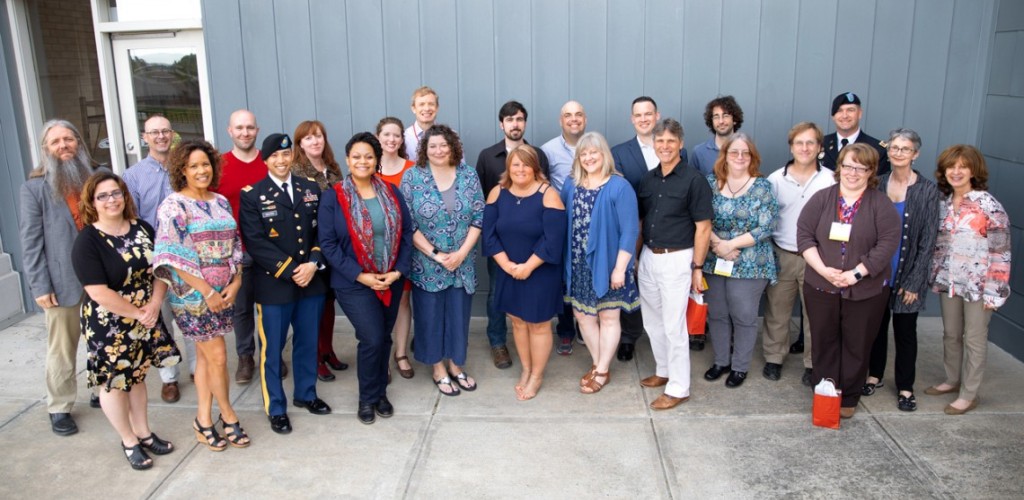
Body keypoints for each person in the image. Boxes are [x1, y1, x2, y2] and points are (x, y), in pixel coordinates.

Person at [72, 172, 181, 470]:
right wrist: (138, 313)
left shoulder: (142, 228)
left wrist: (155, 303)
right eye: (103, 196)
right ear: (92, 202)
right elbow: (97, 291)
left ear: (125, 195)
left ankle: (144, 432)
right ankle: (128, 439)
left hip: (146, 315)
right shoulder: (88, 240)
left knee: (138, 376)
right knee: (114, 382)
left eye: (116, 193)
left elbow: (161, 268)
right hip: (109, 323)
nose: (111, 200)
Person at [154, 139, 251, 450]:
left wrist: (235, 283)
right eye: (193, 165)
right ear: (182, 169)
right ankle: (229, 415)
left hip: (224, 294)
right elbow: (172, 256)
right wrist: (207, 291)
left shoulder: (220, 201)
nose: (201, 170)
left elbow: (236, 245)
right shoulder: (174, 205)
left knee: (209, 361)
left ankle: (203, 420)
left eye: (205, 164)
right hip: (192, 296)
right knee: (220, 356)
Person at [798, 143, 900, 419]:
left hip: (865, 288)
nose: (853, 172)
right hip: (821, 284)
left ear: (871, 171)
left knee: (857, 344)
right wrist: (823, 270)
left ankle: (849, 396)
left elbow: (888, 243)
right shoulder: (821, 198)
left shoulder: (880, 204)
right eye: (848, 165)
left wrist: (856, 273)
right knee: (824, 340)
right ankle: (826, 391)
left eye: (861, 167)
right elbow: (805, 236)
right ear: (839, 167)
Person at [240, 133, 332, 435]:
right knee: (273, 349)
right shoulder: (253, 194)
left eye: (285, 155)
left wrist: (313, 263)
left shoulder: (309, 188)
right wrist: (293, 269)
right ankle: (276, 407)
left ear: (292, 157)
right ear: (265, 160)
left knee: (307, 342)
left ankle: (306, 394)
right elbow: (255, 241)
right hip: (274, 285)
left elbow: (322, 231)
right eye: (274, 156)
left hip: (311, 281)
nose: (281, 161)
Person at [320, 132, 413, 423]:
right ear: (347, 159)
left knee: (383, 337)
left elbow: (407, 234)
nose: (363, 161)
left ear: (377, 160)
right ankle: (367, 398)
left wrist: (398, 271)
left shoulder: (391, 192)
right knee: (372, 337)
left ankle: (380, 393)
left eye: (369, 156)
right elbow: (328, 245)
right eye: (356, 156)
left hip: (390, 278)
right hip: (354, 282)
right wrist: (361, 276)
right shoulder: (332, 196)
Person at [19, 119, 102, 436]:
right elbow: (30, 243)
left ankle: (101, 390)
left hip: (101, 279)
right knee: (62, 348)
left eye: (69, 139)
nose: (64, 146)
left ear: (79, 143)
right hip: (61, 282)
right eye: (56, 142)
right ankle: (60, 406)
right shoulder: (34, 189)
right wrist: (40, 286)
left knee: (102, 341)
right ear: (46, 149)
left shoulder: (97, 179)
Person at [400, 124, 484, 396]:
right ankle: (438, 368)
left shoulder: (469, 175)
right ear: (424, 149)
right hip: (427, 264)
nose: (438, 150)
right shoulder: (412, 177)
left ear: (453, 147)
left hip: (462, 262)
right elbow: (407, 223)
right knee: (431, 316)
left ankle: (456, 365)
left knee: (459, 316)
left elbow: (479, 217)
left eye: (443, 145)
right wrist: (436, 254)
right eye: (432, 145)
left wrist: (461, 254)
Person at [926, 145, 1011, 415]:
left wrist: (996, 292)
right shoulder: (943, 204)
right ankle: (952, 379)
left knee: (973, 338)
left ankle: (969, 394)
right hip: (949, 281)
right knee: (951, 334)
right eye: (952, 166)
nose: (957, 171)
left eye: (963, 166)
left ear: (974, 170)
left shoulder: (989, 206)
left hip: (979, 286)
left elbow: (1001, 251)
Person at [636, 119, 713, 410]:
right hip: (649, 258)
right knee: (652, 322)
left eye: (671, 141)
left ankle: (679, 387)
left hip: (678, 259)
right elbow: (643, 222)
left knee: (673, 326)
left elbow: (703, 227)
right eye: (660, 141)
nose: (665, 146)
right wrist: (636, 257)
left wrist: (697, 268)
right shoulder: (648, 179)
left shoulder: (694, 180)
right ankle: (663, 370)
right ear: (653, 144)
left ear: (680, 143)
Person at [862, 129, 940, 411]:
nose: (898, 153)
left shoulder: (928, 190)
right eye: (894, 148)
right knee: (876, 328)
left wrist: (915, 281)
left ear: (915, 154)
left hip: (909, 274)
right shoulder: (877, 184)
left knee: (905, 331)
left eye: (904, 149)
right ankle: (874, 374)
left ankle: (906, 387)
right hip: (879, 272)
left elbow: (928, 240)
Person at [122, 114, 196, 403]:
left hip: (189, 257)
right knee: (161, 320)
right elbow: (133, 220)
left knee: (191, 315)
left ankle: (195, 369)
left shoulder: (185, 168)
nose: (161, 137)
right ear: (145, 137)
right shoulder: (133, 176)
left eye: (165, 131)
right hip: (156, 262)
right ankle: (169, 377)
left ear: (172, 134)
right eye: (154, 133)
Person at [483, 145, 566, 400]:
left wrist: (528, 267)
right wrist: (507, 266)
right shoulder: (498, 193)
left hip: (540, 272)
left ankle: (537, 375)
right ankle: (526, 369)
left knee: (538, 325)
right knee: (518, 322)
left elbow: (553, 240)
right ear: (508, 167)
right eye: (515, 164)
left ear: (535, 168)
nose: (520, 169)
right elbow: (489, 235)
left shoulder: (548, 194)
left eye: (526, 164)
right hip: (509, 270)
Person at [610, 96, 688, 361]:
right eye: (638, 115)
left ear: (657, 116)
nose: (643, 119)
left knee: (665, 296)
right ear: (632, 119)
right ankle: (629, 337)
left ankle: (668, 347)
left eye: (648, 114)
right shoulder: (619, 152)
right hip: (631, 228)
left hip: (669, 232)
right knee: (629, 283)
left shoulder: (675, 150)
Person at [476, 100, 552, 369]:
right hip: (501, 242)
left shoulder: (538, 154)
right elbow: (484, 200)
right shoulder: (487, 156)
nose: (515, 124)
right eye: (510, 120)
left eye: (519, 119)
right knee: (497, 292)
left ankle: (535, 349)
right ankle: (498, 342)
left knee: (530, 295)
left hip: (531, 243)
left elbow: (545, 192)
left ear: (525, 123)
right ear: (502, 124)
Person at [561, 132, 640, 395]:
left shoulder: (619, 186)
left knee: (608, 317)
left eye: (594, 152)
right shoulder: (571, 185)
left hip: (610, 265)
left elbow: (630, 231)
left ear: (604, 154)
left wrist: (620, 268)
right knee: (583, 317)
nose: (589, 157)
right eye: (584, 153)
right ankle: (598, 364)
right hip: (578, 264)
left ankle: (603, 370)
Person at [702, 133, 778, 389]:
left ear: (752, 157)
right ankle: (721, 361)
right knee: (718, 313)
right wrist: (717, 244)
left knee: (744, 314)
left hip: (751, 261)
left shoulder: (762, 186)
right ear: (725, 156)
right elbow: (699, 218)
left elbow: (768, 225)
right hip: (715, 258)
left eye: (745, 153)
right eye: (734, 152)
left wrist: (730, 245)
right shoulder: (711, 183)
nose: (740, 157)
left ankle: (739, 366)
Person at [762, 122, 835, 386]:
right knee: (776, 311)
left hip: (818, 259)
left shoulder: (831, 179)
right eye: (799, 143)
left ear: (819, 148)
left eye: (810, 143)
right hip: (782, 254)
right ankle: (774, 358)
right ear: (791, 147)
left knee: (816, 315)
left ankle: (812, 363)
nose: (804, 148)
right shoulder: (775, 179)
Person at [211, 109, 268, 385]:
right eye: (239, 128)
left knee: (269, 306)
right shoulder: (218, 166)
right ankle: (245, 357)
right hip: (235, 251)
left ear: (257, 130)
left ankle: (271, 354)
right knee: (242, 308)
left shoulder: (270, 163)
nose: (245, 132)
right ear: (229, 131)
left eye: (250, 127)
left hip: (269, 249)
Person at [291, 120, 349, 382]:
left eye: (319, 137)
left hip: (333, 247)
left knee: (328, 303)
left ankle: (327, 350)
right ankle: (314, 356)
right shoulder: (295, 172)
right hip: (310, 248)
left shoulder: (333, 169)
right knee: (312, 306)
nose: (315, 142)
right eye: (309, 138)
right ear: (300, 144)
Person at [541, 100, 588, 354]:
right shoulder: (548, 150)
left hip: (589, 226)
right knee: (562, 280)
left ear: (585, 119)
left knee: (586, 276)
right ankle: (566, 330)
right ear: (561, 120)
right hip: (560, 226)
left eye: (578, 115)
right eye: (568, 115)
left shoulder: (594, 147)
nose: (574, 119)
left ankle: (587, 324)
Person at [377, 116, 417, 379]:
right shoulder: (368, 167)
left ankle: (401, 352)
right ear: (378, 137)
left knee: (402, 299)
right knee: (377, 302)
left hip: (404, 245)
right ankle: (381, 355)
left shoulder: (412, 169)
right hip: (375, 249)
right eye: (387, 135)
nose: (392, 140)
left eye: (396, 135)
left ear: (402, 140)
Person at [821, 92, 890, 176]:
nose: (845, 115)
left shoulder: (877, 150)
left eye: (850, 110)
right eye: (839, 110)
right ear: (833, 116)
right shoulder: (820, 144)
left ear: (860, 113)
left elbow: (879, 184)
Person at [691, 95, 743, 177]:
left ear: (735, 120)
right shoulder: (699, 152)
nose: (721, 121)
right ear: (711, 121)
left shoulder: (746, 150)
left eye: (725, 116)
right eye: (716, 117)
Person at [404, 87, 439, 161]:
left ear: (437, 108)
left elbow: (461, 168)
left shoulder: (450, 136)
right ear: (413, 109)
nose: (426, 108)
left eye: (431, 104)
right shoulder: (404, 138)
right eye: (421, 104)